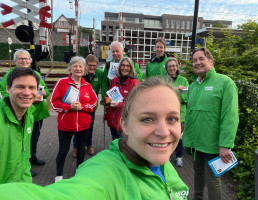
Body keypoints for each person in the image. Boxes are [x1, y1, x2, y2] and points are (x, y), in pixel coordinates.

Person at [0, 77, 189, 200]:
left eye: (172, 118)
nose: (164, 132)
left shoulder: (161, 159)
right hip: (67, 126)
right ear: (124, 124)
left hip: (82, 124)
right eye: (147, 119)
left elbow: (91, 103)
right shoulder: (106, 176)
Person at [183, 47, 239, 200]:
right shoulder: (193, 87)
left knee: (213, 180)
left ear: (211, 62)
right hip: (196, 143)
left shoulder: (225, 83)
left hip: (213, 144)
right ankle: (197, 197)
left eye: (201, 59)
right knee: (197, 174)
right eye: (194, 60)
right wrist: (186, 139)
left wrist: (225, 145)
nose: (197, 62)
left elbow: (230, 116)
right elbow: (190, 115)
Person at [0, 50, 50, 177]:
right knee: (18, 142)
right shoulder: (9, 76)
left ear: (30, 60)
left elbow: (46, 92)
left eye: (26, 58)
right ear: (15, 61)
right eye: (21, 58)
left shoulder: (35, 74)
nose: (24, 61)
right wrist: (20, 100)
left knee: (32, 139)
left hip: (36, 114)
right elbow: (4, 93)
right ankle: (23, 164)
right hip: (16, 116)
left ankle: (31, 158)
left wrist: (44, 94)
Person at [50, 56, 97, 182]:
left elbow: (94, 102)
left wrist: (83, 107)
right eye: (75, 66)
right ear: (70, 68)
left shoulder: (87, 86)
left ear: (85, 69)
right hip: (66, 124)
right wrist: (69, 107)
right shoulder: (62, 82)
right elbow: (53, 102)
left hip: (83, 125)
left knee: (81, 149)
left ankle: (79, 171)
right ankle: (59, 174)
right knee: (63, 150)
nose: (78, 68)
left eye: (81, 66)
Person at [0, 67, 40, 183]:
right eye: (20, 87)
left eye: (32, 87)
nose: (26, 92)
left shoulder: (29, 117)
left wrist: (26, 185)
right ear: (8, 89)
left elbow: (24, 157)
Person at [72, 54, 104, 158]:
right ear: (86, 66)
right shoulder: (81, 74)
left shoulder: (100, 73)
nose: (92, 67)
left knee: (90, 127)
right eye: (90, 65)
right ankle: (75, 147)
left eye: (94, 65)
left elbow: (105, 86)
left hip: (91, 108)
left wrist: (104, 99)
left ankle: (89, 145)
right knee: (77, 128)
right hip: (79, 107)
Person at [104, 57, 140, 140]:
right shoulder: (114, 80)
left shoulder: (135, 83)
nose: (125, 68)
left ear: (131, 68)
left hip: (125, 124)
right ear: (119, 67)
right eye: (123, 65)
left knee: (125, 147)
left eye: (128, 66)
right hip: (112, 121)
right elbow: (108, 97)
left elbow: (135, 104)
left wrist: (119, 105)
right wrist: (108, 101)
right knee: (115, 144)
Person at [101, 41, 144, 105]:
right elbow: (105, 85)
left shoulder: (131, 63)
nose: (115, 53)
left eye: (117, 51)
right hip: (113, 102)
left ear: (123, 51)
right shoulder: (108, 66)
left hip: (127, 100)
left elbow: (141, 78)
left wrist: (128, 74)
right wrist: (105, 103)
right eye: (113, 51)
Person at [165, 57, 189, 167]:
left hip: (180, 114)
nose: (172, 68)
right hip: (166, 113)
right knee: (167, 136)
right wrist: (176, 90)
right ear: (166, 68)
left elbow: (186, 98)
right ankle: (167, 155)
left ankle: (179, 156)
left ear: (177, 66)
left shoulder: (183, 80)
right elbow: (162, 97)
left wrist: (173, 93)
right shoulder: (163, 81)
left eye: (173, 65)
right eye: (169, 66)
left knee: (179, 137)